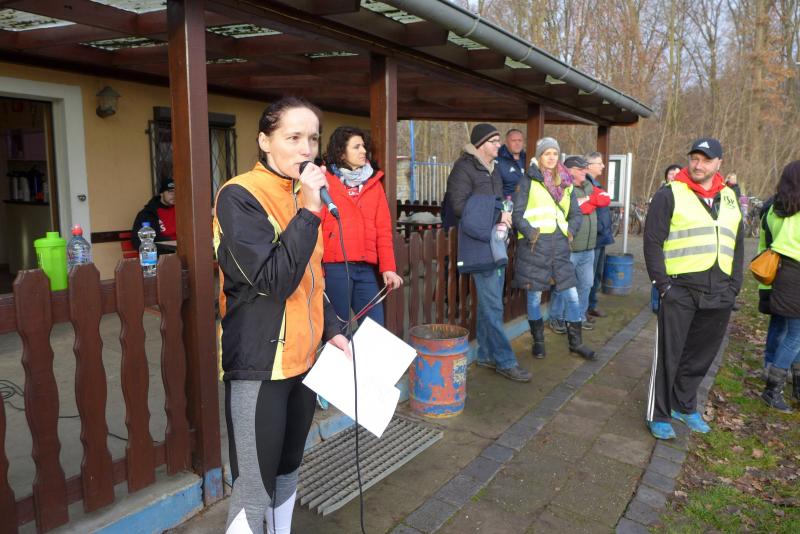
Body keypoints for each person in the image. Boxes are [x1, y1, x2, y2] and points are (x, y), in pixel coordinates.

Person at [213, 97, 351, 533]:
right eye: (293, 137)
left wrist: (333, 329)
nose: (306, 149)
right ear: (264, 141)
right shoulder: (239, 196)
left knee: (289, 467)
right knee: (254, 486)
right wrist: (309, 212)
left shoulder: (300, 195)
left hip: (305, 360)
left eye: (312, 138)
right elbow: (272, 281)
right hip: (261, 363)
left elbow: (312, 279)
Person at [644, 138, 743, 440]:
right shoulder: (670, 193)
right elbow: (652, 242)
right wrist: (663, 286)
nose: (698, 165)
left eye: (705, 160)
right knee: (669, 355)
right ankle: (659, 413)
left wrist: (734, 287)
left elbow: (737, 243)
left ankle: (684, 405)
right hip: (680, 289)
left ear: (719, 163)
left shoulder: (729, 197)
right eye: (694, 158)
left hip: (719, 291)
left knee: (701, 355)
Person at [444, 123, 532, 382]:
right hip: (478, 245)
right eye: (494, 141)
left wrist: (505, 211)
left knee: (489, 304)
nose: (498, 145)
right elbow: (458, 206)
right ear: (481, 144)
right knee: (493, 305)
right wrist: (496, 214)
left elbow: (499, 199)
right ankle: (505, 361)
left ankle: (484, 354)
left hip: (496, 242)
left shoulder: (493, 168)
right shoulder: (464, 168)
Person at [512, 138, 595, 361]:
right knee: (534, 297)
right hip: (535, 247)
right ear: (539, 156)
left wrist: (570, 232)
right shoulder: (528, 180)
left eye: (555, 154)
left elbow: (576, 214)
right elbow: (517, 214)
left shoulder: (565, 182)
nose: (551, 157)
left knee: (572, 296)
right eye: (546, 153)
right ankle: (538, 342)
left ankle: (576, 343)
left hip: (559, 246)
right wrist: (532, 234)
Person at [321, 126, 403, 327]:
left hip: (365, 269)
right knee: (336, 332)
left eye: (364, 146)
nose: (363, 151)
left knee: (374, 329)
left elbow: (383, 231)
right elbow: (314, 229)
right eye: (356, 147)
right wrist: (317, 272)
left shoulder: (374, 184)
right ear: (341, 152)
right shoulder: (324, 182)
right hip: (335, 268)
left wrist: (388, 268)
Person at [758, 160, 800, 411]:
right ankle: (772, 391)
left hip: (781, 274)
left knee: (791, 331)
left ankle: (791, 385)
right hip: (795, 273)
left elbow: (766, 243)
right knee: (795, 336)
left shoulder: (774, 209)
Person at [549, 156, 601, 331]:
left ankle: (578, 317)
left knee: (586, 284)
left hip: (589, 247)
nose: (585, 172)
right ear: (569, 170)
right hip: (570, 247)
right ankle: (557, 318)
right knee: (563, 285)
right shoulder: (562, 188)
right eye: (580, 169)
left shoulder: (589, 187)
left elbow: (603, 200)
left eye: (585, 168)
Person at [585, 152, 613, 319]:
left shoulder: (596, 184)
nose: (603, 166)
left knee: (597, 274)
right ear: (589, 166)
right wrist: (600, 228)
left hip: (601, 236)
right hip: (593, 237)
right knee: (589, 276)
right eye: (599, 163)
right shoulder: (587, 185)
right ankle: (585, 308)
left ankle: (591, 306)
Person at [131, 174, 176, 250]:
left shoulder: (182, 211)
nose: (174, 195)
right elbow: (137, 241)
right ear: (161, 193)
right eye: (170, 191)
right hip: (161, 253)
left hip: (185, 251)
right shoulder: (147, 213)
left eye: (176, 191)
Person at [496, 128, 526, 197]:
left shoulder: (528, 159)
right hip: (507, 202)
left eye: (520, 140)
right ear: (506, 143)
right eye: (513, 140)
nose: (517, 143)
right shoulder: (497, 161)